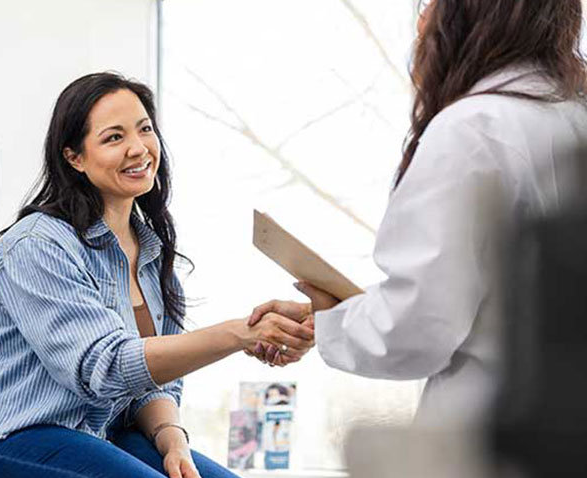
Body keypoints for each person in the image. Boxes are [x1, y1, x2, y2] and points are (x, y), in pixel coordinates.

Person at [0, 72, 315, 478]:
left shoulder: (151, 253)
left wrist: (172, 438)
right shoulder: (37, 245)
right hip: (7, 442)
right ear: (74, 157)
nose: (139, 148)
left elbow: (151, 383)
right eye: (113, 137)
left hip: (97, 435)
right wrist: (238, 334)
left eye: (145, 128)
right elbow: (104, 368)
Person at [249, 0, 587, 426]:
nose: (425, 15)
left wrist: (335, 319)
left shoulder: (472, 128)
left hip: (491, 436)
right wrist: (339, 316)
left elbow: (416, 331)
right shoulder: (572, 113)